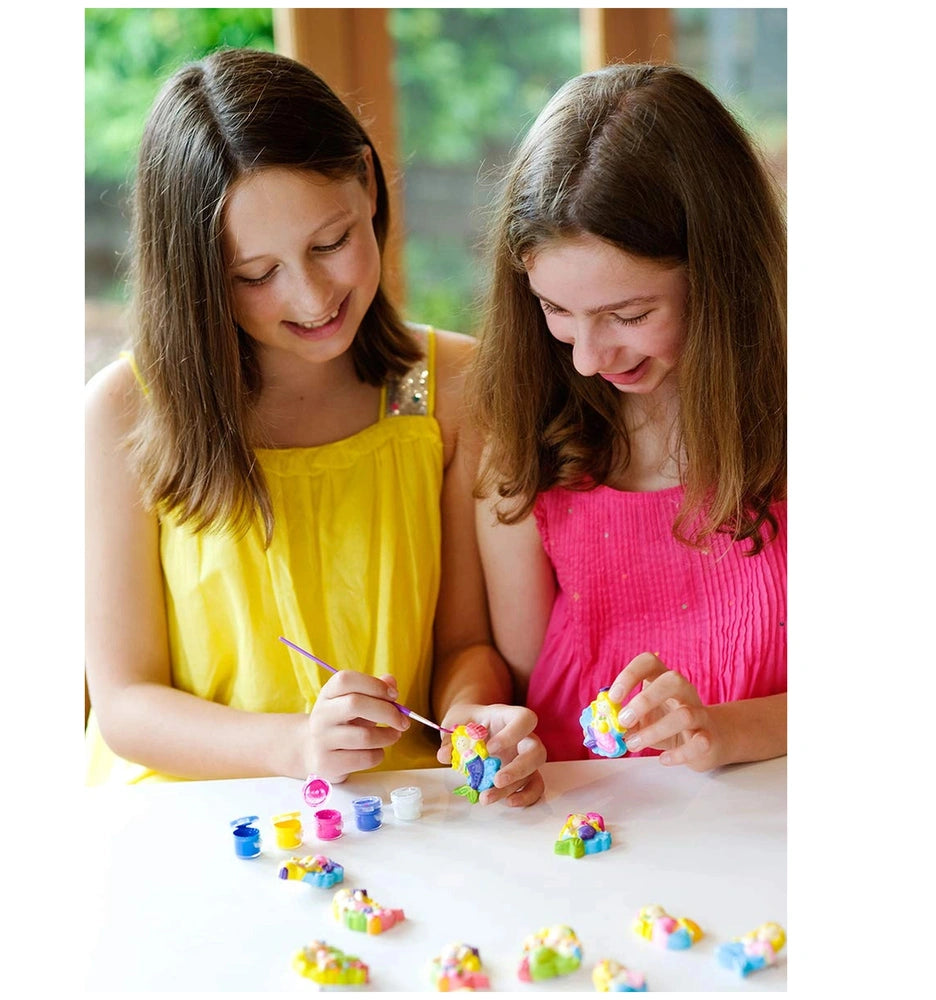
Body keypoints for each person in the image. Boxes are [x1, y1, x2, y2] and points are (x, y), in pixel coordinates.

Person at [84, 47, 545, 804]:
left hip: (396, 815)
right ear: (194, 275)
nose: (312, 296)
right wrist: (295, 744)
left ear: (366, 180)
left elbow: (464, 644)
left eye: (329, 243)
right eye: (255, 275)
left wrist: (470, 718)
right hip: (186, 814)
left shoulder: (446, 390)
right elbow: (126, 706)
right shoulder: (129, 412)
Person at [470, 63, 786, 771]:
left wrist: (726, 732)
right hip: (580, 835)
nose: (586, 358)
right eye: (555, 310)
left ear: (723, 277)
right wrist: (489, 725)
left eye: (630, 315)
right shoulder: (529, 445)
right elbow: (512, 677)